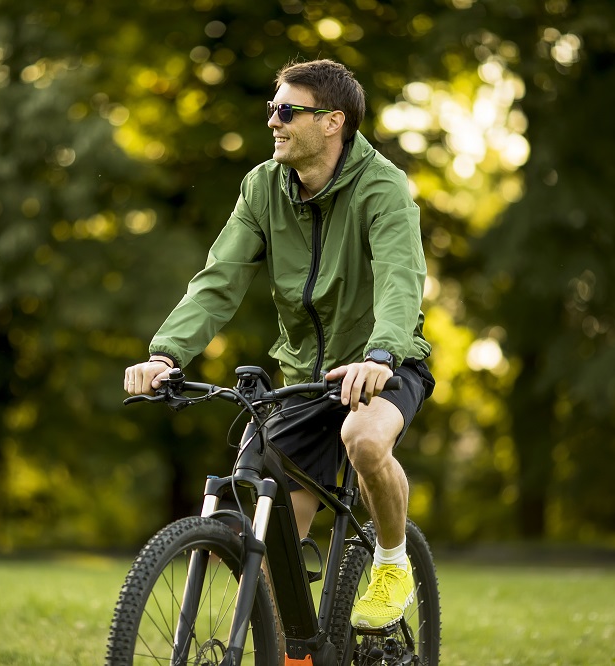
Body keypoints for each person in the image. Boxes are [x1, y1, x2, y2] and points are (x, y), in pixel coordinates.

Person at [124, 58, 434, 631]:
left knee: (363, 439)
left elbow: (400, 277)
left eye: (287, 111)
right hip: (303, 381)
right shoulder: (262, 187)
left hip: (386, 364)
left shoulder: (382, 186)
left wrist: (380, 354)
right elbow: (219, 280)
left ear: (333, 121)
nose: (273, 121)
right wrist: (166, 353)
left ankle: (392, 561)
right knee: (271, 547)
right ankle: (294, 650)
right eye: (272, 109)